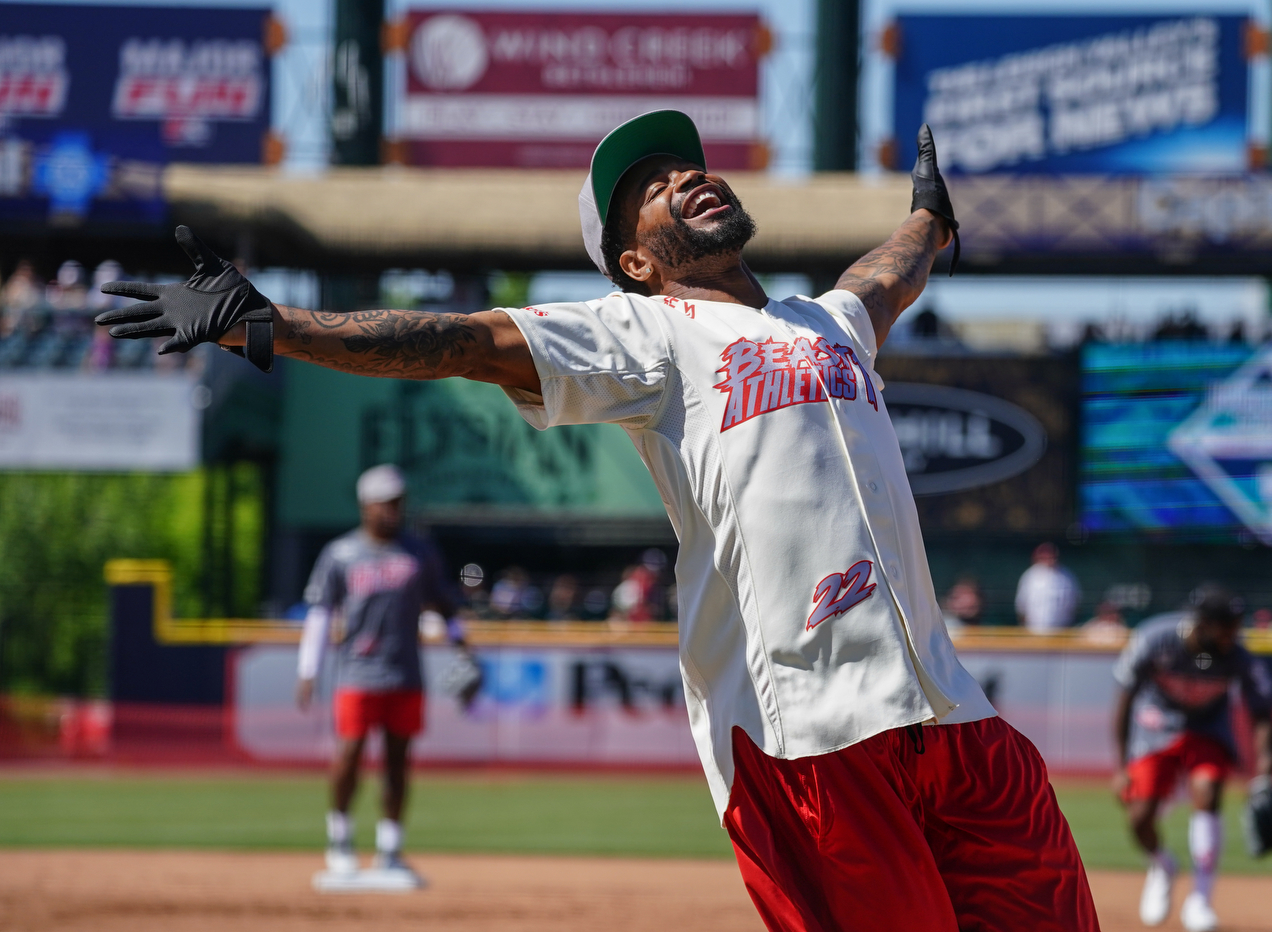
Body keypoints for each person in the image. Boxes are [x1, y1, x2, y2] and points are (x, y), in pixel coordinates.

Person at [95, 112, 1099, 930]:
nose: (680, 178)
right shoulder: (650, 332)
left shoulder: (824, 322)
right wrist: (272, 323)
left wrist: (929, 219)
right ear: (632, 260)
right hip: (810, 732)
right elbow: (457, 338)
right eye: (651, 187)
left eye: (681, 164)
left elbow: (889, 273)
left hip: (953, 717)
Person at [295, 464, 467, 884]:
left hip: (405, 673)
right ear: (366, 505)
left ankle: (390, 848)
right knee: (349, 755)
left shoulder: (419, 552)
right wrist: (308, 668)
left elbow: (443, 604)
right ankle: (340, 839)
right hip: (356, 672)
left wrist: (463, 648)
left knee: (397, 763)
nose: (394, 510)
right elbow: (321, 612)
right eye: (386, 503)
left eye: (399, 502)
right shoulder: (341, 553)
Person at [1112, 586, 1272, 932]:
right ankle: (1162, 865)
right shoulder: (1156, 638)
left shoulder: (1237, 655)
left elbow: (1262, 715)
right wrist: (1121, 765)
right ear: (1203, 624)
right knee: (1139, 816)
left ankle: (1200, 899)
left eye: (1236, 626)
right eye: (1227, 627)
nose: (1234, 634)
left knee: (1208, 790)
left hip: (1207, 729)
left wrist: (1264, 777)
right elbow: (1125, 699)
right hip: (1154, 726)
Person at [1015, 541, 1080, 633]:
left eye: (1050, 555)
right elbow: (1021, 606)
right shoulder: (1029, 576)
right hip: (1034, 630)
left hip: (1060, 630)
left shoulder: (1067, 576)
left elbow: (1074, 604)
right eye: (1044, 555)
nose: (1048, 558)